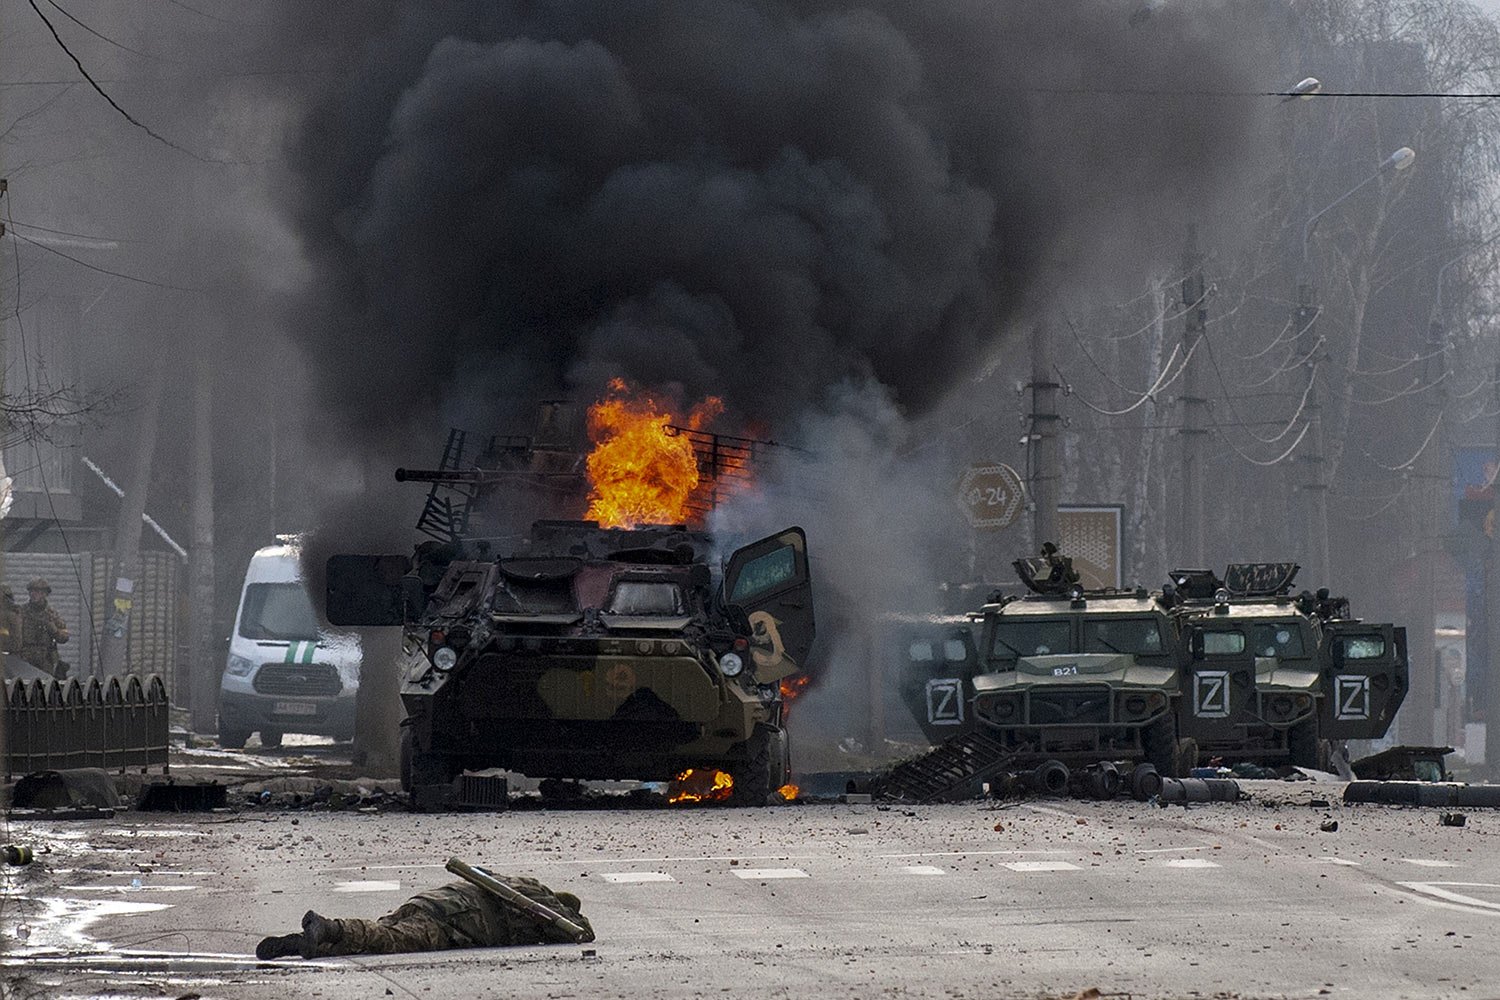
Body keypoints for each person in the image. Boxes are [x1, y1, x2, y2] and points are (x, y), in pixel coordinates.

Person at [255, 874, 593, 959]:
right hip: (460, 920)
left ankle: (309, 944)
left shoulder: (520, 884)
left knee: (381, 935)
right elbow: (583, 933)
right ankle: (331, 927)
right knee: (389, 940)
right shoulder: (546, 910)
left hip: (432, 902)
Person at [18, 578, 69, 679]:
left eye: (37, 591)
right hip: (25, 658)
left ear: (45, 594)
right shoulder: (21, 612)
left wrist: (53, 628)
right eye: (31, 591)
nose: (33, 594)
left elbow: (64, 637)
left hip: (46, 659)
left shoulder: (52, 614)